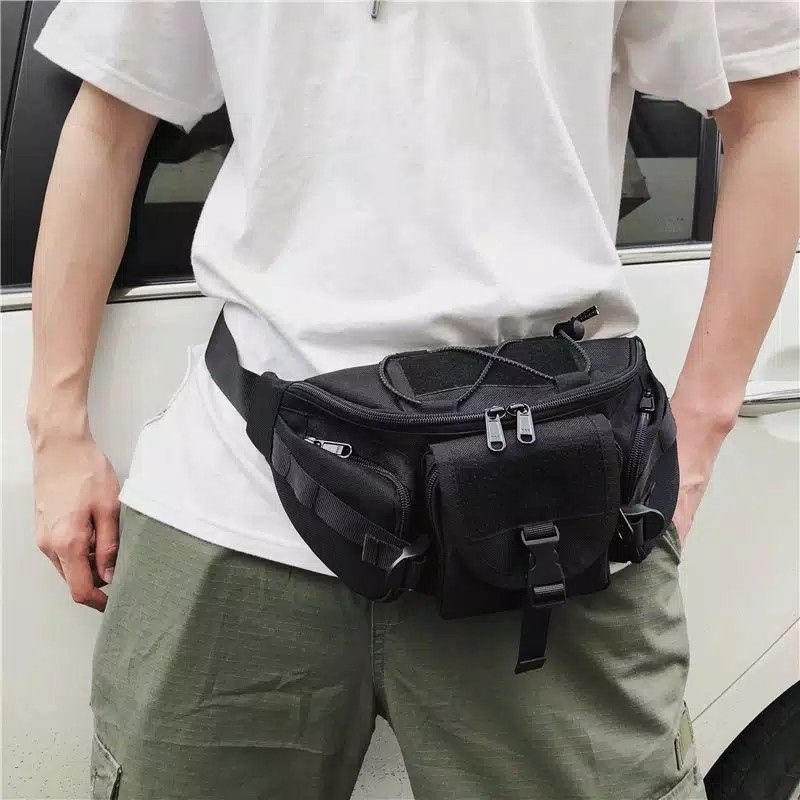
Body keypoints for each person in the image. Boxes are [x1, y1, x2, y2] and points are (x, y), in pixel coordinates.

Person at [27, 2, 798, 799]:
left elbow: (770, 106)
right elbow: (109, 120)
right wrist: (56, 430)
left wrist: (696, 437)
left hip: (553, 522)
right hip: (237, 491)